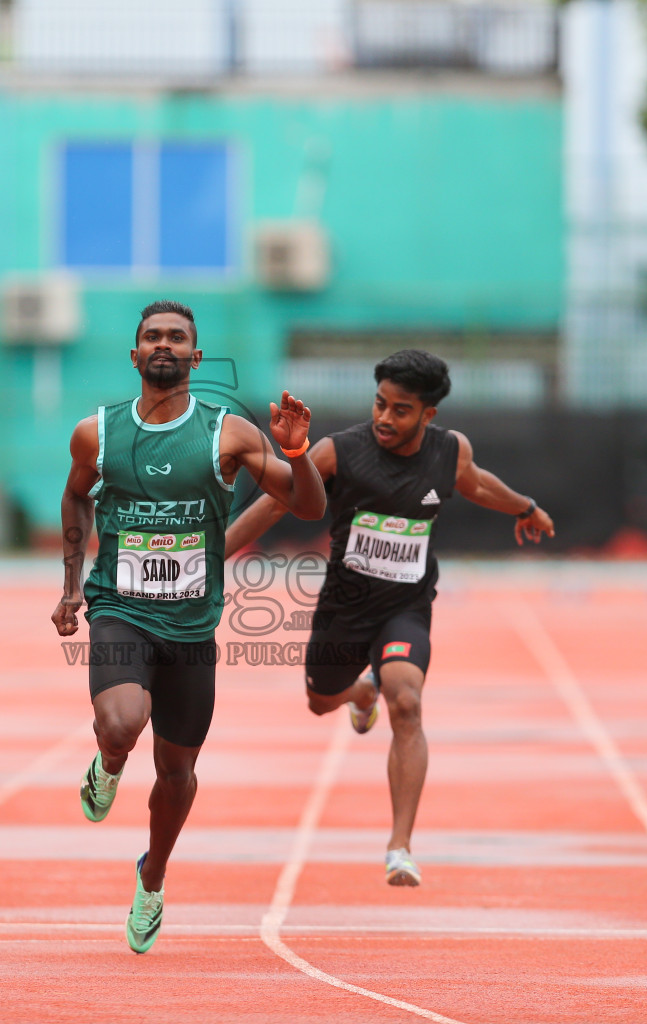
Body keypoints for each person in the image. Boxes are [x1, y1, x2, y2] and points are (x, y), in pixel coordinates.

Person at [53, 300, 325, 953]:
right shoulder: (97, 433)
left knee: (177, 772)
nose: (165, 344)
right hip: (120, 606)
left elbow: (308, 504)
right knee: (121, 720)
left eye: (178, 337)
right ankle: (110, 760)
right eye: (153, 336)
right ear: (135, 354)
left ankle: (154, 875)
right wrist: (69, 589)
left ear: (196, 358)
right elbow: (73, 497)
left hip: (192, 628)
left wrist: (296, 451)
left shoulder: (228, 433)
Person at [224, 349, 554, 886]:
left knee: (407, 701)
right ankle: (359, 694)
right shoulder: (339, 452)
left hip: (406, 606)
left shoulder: (449, 452)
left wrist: (524, 507)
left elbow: (476, 483)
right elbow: (276, 501)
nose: (384, 417)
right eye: (380, 403)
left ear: (428, 416)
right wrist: (216, 559)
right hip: (343, 609)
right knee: (319, 701)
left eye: (400, 410)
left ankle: (400, 845)